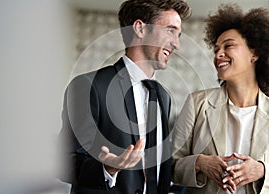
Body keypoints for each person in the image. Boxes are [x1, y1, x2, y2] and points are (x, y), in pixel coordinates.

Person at [58, 0, 190, 194]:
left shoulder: (163, 96)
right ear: (140, 28)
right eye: (170, 31)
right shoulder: (89, 86)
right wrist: (106, 169)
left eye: (178, 35)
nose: (176, 44)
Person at [171, 3, 269, 194]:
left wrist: (262, 171)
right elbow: (169, 166)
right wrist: (200, 163)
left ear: (254, 53)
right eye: (216, 49)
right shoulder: (197, 103)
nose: (218, 54)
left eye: (228, 46)